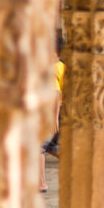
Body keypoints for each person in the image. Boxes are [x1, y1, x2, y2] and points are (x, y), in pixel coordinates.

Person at [39, 35, 65, 193]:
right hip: (62, 112)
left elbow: (56, 94)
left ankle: (41, 183)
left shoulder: (52, 69)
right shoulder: (61, 66)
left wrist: (54, 118)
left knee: (39, 148)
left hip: (52, 113)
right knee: (53, 148)